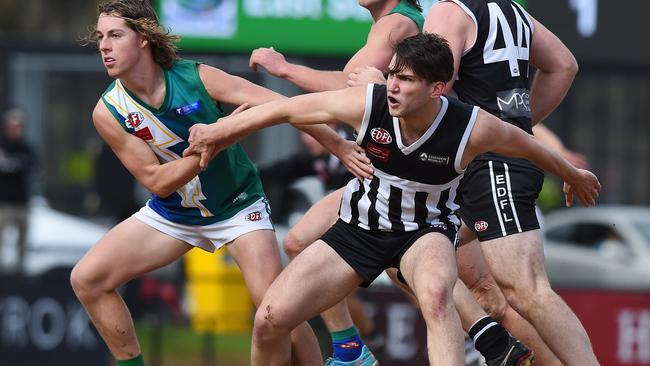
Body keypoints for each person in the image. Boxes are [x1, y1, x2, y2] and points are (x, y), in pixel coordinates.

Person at [184, 33, 601, 366]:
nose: (393, 87)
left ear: (437, 87)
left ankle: (485, 342)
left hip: (424, 232)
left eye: (405, 80)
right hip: (358, 231)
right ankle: (351, 349)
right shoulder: (369, 103)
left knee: (438, 299)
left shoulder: (471, 127)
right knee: (269, 320)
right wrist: (218, 131)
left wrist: (572, 174)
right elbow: (288, 111)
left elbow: (528, 146)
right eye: (392, 75)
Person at [70, 1, 365, 365]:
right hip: (174, 214)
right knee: (87, 280)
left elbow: (282, 105)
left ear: (144, 38)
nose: (104, 46)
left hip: (239, 206)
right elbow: (157, 181)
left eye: (115, 35)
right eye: (100, 37)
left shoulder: (196, 77)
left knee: (277, 311)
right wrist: (219, 138)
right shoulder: (109, 110)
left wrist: (338, 145)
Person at [421, 1, 600, 364]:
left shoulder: (449, 12)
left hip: (494, 168)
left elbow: (431, 86)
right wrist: (519, 129)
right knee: (409, 251)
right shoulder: (512, 11)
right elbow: (564, 65)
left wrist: (376, 88)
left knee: (526, 290)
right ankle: (493, 342)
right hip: (481, 166)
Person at [249, 1, 423, 364]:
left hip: (415, 177)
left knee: (473, 295)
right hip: (395, 174)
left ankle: (487, 340)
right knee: (300, 240)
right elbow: (351, 87)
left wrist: (283, 70)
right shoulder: (395, 22)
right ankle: (349, 348)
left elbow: (348, 87)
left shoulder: (397, 22)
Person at [0, 108, 35, 275]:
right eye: (14, 126)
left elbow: (35, 168)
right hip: (4, 202)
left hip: (21, 201)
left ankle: (20, 272)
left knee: (23, 240)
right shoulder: (2, 145)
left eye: (19, 126)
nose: (17, 130)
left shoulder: (25, 147)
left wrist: (15, 165)